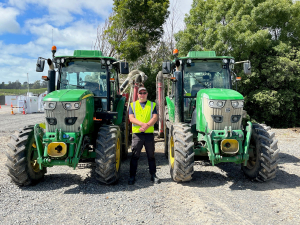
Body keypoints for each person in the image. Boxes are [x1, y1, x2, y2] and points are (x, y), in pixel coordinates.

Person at [128, 87, 160, 185]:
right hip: (137, 135)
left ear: (147, 94)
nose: (142, 94)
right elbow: (131, 118)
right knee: (135, 156)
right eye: (140, 93)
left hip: (149, 135)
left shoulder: (152, 104)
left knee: (151, 156)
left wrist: (146, 126)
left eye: (144, 93)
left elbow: (155, 118)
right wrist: (143, 125)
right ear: (137, 94)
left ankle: (153, 175)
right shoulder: (132, 105)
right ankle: (132, 176)